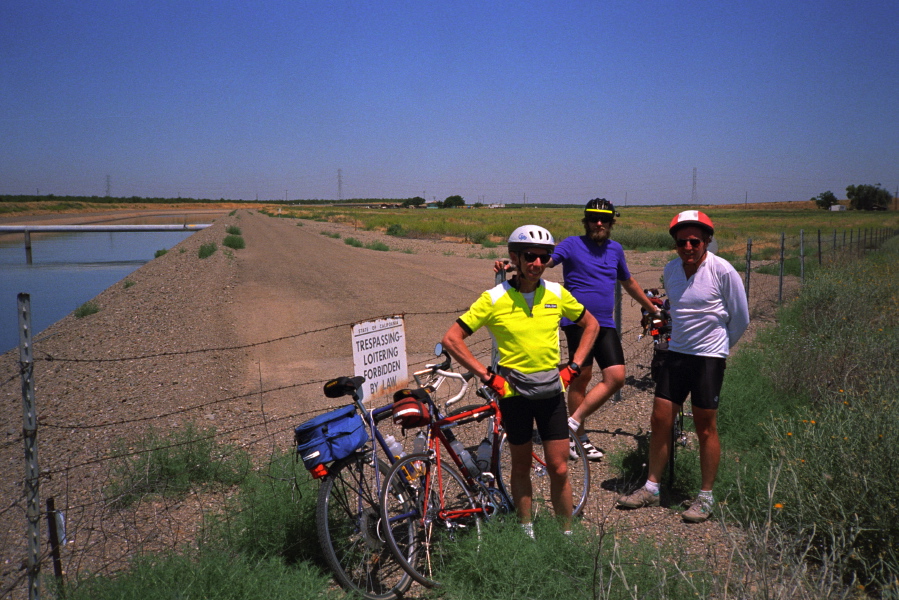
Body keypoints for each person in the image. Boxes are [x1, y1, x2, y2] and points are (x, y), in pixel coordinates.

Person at [443, 224, 600, 537]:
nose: (537, 263)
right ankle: (526, 533)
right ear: (514, 257)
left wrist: (574, 367)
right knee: (520, 466)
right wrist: (488, 376)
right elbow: (452, 339)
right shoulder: (494, 298)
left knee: (558, 467)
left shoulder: (556, 292)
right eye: (530, 256)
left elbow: (591, 325)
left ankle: (565, 536)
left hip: (552, 392)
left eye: (544, 257)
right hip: (514, 394)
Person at [495, 199, 661, 462]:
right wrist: (513, 265)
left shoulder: (616, 249)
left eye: (604, 220)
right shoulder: (572, 244)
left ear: (610, 224)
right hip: (578, 323)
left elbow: (627, 281)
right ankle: (579, 439)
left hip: (605, 323)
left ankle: (571, 424)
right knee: (581, 378)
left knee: (616, 377)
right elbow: (543, 260)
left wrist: (651, 308)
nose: (598, 223)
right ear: (585, 221)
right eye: (593, 218)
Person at [617, 210, 750, 523]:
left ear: (706, 241)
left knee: (705, 426)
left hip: (708, 359)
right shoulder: (671, 270)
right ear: (675, 245)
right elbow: (674, 310)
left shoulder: (723, 271)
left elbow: (741, 317)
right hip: (677, 354)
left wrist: (719, 348)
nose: (688, 247)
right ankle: (651, 487)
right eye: (681, 242)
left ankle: (705, 497)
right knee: (660, 419)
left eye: (694, 241)